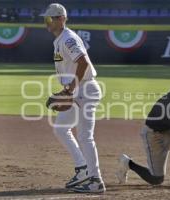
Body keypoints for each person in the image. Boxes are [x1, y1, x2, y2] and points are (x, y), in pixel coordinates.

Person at [41, 3, 105, 193]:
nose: (47, 23)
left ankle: (96, 181)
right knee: (61, 128)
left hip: (84, 90)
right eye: (46, 19)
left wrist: (69, 90)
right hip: (78, 90)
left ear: (61, 19)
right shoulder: (60, 39)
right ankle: (83, 169)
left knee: (85, 136)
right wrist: (69, 90)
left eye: (50, 19)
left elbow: (83, 62)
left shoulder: (68, 39)